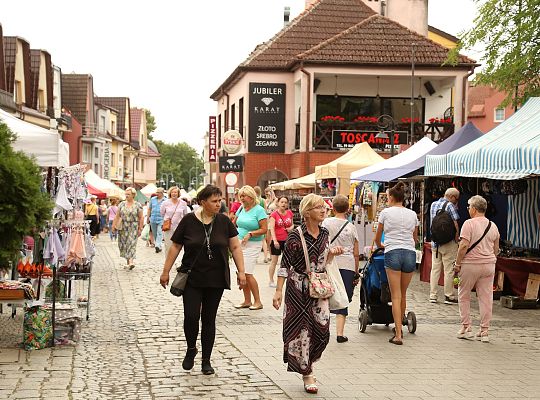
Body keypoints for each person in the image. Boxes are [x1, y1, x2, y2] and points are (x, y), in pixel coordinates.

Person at [159, 185, 247, 375]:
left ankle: (206, 360)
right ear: (202, 202)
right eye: (214, 201)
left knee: (209, 318)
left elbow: (235, 247)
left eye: (219, 200)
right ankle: (191, 349)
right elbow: (175, 246)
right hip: (192, 277)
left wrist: (241, 272)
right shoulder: (189, 220)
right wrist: (166, 271)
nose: (218, 204)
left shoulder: (224, 221)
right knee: (191, 316)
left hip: (216, 277)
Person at [272, 193, 343, 394]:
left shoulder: (325, 233)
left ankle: (309, 362)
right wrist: (278, 290)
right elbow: (285, 264)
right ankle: (308, 372)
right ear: (307, 212)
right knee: (301, 331)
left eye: (324, 208)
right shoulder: (296, 235)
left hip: (319, 288)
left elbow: (323, 260)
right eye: (319, 207)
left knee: (322, 332)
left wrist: (332, 253)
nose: (324, 211)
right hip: (297, 288)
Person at [375, 182, 419, 345]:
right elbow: (415, 238)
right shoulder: (412, 214)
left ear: (392, 197)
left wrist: (381, 246)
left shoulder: (385, 213)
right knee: (403, 293)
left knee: (395, 295)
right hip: (409, 254)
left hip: (392, 251)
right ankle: (399, 326)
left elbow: (378, 236)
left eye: (387, 197)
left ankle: (398, 334)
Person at [454, 195, 500, 343]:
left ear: (473, 209)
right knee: (486, 297)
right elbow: (496, 249)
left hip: (470, 264)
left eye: (468, 207)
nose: (468, 209)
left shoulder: (469, 224)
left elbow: (463, 246)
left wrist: (457, 263)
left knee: (464, 295)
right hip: (488, 265)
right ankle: (484, 330)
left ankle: (466, 327)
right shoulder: (493, 225)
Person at [321, 194, 359, 343]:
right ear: (348, 209)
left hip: (329, 263)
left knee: (325, 295)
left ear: (332, 207)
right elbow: (356, 252)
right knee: (343, 297)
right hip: (347, 265)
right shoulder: (351, 227)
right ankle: (340, 333)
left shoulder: (325, 223)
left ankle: (324, 330)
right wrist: (356, 272)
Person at [234, 185, 267, 310]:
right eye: (240, 196)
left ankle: (258, 301)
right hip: (239, 243)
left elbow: (264, 229)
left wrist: (251, 233)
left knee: (247, 273)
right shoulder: (241, 208)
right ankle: (247, 300)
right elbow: (235, 222)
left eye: (244, 196)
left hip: (253, 244)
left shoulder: (259, 210)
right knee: (241, 273)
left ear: (252, 196)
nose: (242, 198)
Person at [430, 188, 460, 304]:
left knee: (435, 269)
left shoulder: (433, 204)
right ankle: (448, 296)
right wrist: (456, 238)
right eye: (456, 199)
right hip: (448, 243)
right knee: (449, 270)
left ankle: (433, 295)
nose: (456, 201)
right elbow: (455, 223)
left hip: (436, 243)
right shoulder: (450, 206)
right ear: (452, 197)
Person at [112, 187, 144, 269]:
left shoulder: (137, 205)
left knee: (131, 243)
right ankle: (128, 262)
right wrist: (113, 226)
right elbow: (117, 216)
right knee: (123, 244)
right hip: (123, 227)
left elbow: (141, 217)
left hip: (133, 226)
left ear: (133, 195)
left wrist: (140, 228)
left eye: (128, 194)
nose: (126, 196)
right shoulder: (122, 204)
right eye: (126, 194)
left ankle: (131, 261)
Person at [267, 196, 294, 287]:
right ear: (278, 203)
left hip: (287, 240)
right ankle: (271, 280)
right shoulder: (274, 214)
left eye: (285, 202)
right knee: (274, 261)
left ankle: (288, 279)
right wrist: (274, 241)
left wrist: (291, 228)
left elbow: (292, 224)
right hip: (277, 240)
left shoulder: (290, 213)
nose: (284, 204)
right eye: (282, 202)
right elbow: (271, 228)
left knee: (288, 261)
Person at [160, 186, 188, 254]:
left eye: (175, 192)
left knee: (177, 246)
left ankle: (174, 260)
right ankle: (168, 262)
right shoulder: (165, 203)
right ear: (170, 193)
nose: (174, 194)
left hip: (179, 227)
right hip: (168, 227)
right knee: (168, 245)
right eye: (172, 192)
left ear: (178, 194)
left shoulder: (183, 203)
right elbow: (162, 213)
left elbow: (185, 215)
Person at [254, 185, 270, 263]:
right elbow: (265, 211)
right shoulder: (263, 200)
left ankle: (255, 258)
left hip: (255, 220)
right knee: (263, 240)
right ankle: (266, 257)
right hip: (262, 220)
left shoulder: (253, 200)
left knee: (255, 239)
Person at [148, 188, 166, 253]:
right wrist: (148, 217)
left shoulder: (165, 200)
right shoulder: (153, 199)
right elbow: (149, 209)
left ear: (162, 193)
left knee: (159, 232)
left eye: (158, 192)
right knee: (155, 233)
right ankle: (159, 246)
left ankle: (157, 245)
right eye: (157, 192)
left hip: (161, 219)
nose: (157, 194)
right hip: (153, 219)